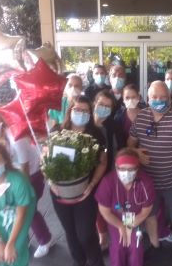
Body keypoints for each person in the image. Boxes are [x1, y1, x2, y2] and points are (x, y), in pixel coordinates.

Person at [128, 80, 172, 266]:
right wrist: (135, 153)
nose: (159, 100)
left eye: (163, 97)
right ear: (147, 98)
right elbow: (129, 145)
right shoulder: (141, 118)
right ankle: (155, 247)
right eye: (154, 97)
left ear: (170, 98)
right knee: (150, 218)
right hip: (147, 183)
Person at [0, 107, 53, 258]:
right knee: (12, 211)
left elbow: (24, 165)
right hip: (5, 178)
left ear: (1, 120)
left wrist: (23, 191)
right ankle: (22, 238)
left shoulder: (15, 136)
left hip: (30, 175)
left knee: (28, 209)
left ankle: (45, 239)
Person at [49, 95, 107, 266]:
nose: (81, 113)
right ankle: (78, 261)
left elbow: (103, 162)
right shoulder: (56, 131)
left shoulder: (97, 134)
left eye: (85, 110)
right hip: (59, 192)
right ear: (70, 111)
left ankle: (96, 262)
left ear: (90, 113)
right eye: (77, 109)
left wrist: (92, 184)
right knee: (70, 231)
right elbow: (46, 159)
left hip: (85, 192)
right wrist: (50, 181)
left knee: (85, 233)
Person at [95, 148, 155, 266]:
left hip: (134, 218)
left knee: (135, 246)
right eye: (122, 169)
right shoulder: (108, 182)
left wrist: (129, 225)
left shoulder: (146, 183)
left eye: (131, 169)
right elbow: (104, 211)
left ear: (137, 168)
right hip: (115, 218)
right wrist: (121, 226)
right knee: (118, 246)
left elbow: (145, 211)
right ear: (116, 168)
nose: (126, 173)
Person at [93, 90, 126, 249]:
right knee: (96, 207)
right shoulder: (85, 124)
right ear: (94, 103)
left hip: (110, 172)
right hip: (88, 174)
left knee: (113, 205)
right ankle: (103, 235)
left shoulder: (114, 126)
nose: (104, 108)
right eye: (101, 104)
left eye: (108, 106)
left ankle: (123, 231)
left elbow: (119, 149)